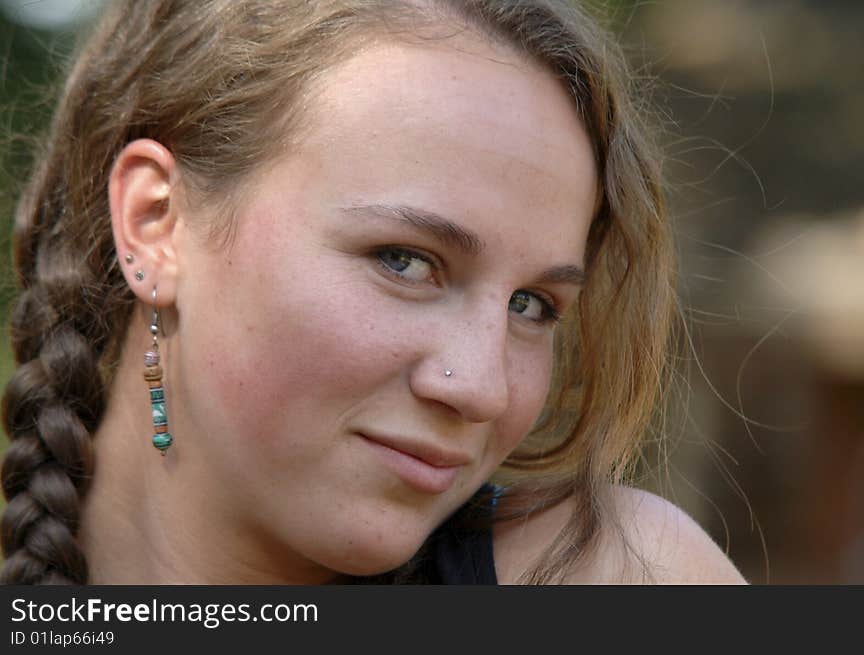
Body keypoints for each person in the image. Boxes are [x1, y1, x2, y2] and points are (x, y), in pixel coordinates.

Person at [0, 0, 745, 585]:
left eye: (532, 306)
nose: (482, 388)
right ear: (157, 223)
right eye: (406, 261)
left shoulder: (614, 579)